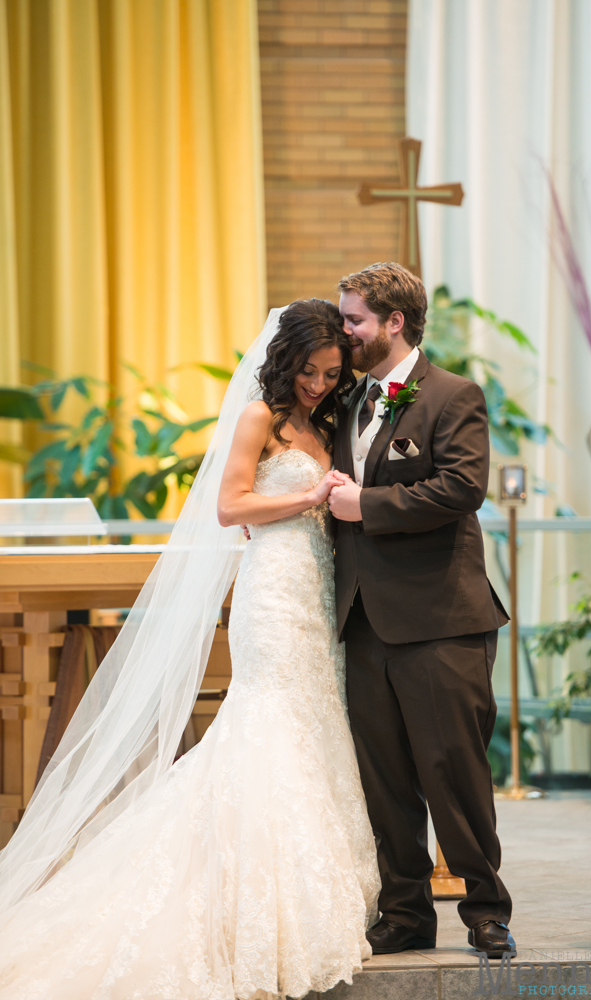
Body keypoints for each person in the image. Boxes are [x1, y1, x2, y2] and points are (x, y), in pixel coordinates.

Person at [0, 299, 380, 1000]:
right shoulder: (258, 418)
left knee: (314, 720)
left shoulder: (320, 421)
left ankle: (306, 874)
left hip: (316, 588)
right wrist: (307, 502)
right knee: (266, 721)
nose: (319, 384)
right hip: (271, 589)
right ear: (284, 360)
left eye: (330, 373)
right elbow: (229, 507)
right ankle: (247, 892)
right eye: (307, 371)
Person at [327, 261, 516, 959]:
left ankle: (486, 911)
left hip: (441, 619)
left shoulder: (451, 395)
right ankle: (404, 914)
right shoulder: (347, 401)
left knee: (451, 771)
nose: (344, 332)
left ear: (394, 321)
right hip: (363, 619)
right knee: (384, 778)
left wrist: (364, 505)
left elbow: (461, 489)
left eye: (354, 320)